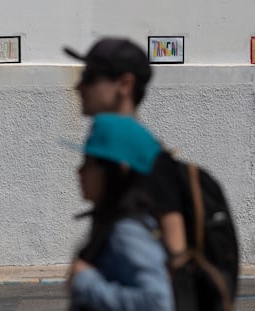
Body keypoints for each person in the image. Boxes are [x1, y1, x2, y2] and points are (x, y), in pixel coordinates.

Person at [64, 37, 187, 267]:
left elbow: (174, 269)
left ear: (125, 85)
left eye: (90, 78)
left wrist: (88, 283)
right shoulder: (115, 152)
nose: (79, 86)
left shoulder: (147, 157)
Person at [68, 113, 174, 311]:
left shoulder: (127, 230)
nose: (79, 171)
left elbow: (157, 302)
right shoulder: (113, 220)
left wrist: (85, 282)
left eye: (89, 163)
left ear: (115, 170)